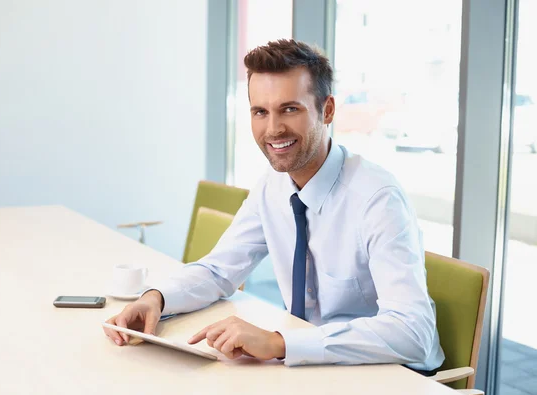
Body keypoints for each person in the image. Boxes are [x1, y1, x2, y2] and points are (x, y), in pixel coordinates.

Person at [103, 39, 445, 372]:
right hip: (313, 366)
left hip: (389, 374)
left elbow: (412, 332)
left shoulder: (377, 198)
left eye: (290, 109)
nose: (273, 129)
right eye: (260, 112)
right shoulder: (274, 185)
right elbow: (219, 270)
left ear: (327, 110)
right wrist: (156, 299)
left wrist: (280, 343)